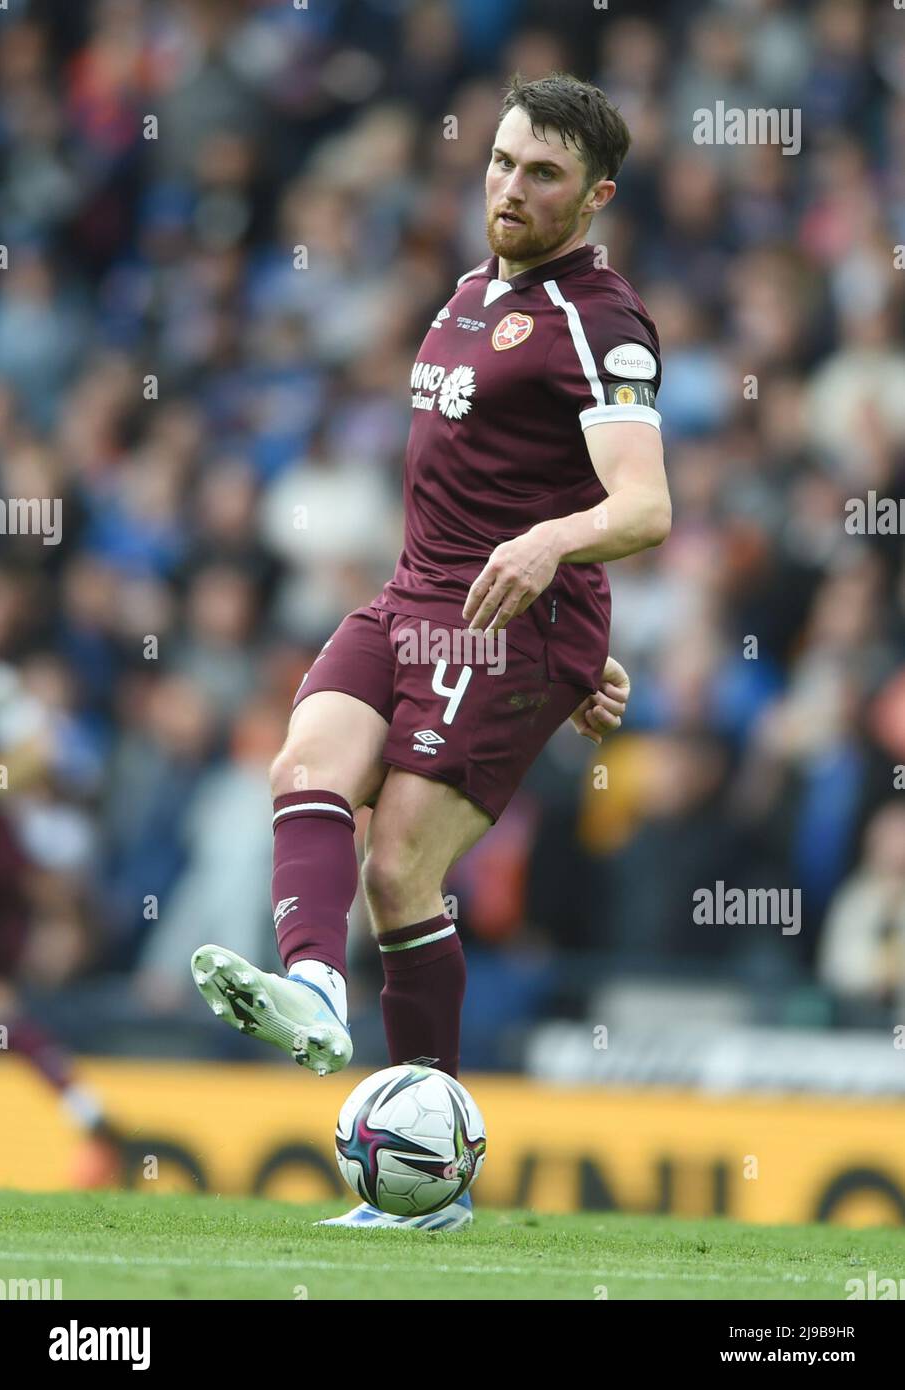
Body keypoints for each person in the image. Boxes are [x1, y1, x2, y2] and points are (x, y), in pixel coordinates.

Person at [192, 71, 671, 1230]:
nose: (511, 187)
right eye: (503, 161)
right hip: (412, 595)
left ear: (595, 196)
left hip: (502, 621)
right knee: (303, 766)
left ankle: (427, 1189)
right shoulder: (466, 293)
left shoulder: (596, 319)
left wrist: (558, 575)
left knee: (401, 864)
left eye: (543, 174)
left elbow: (646, 504)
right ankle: (314, 988)